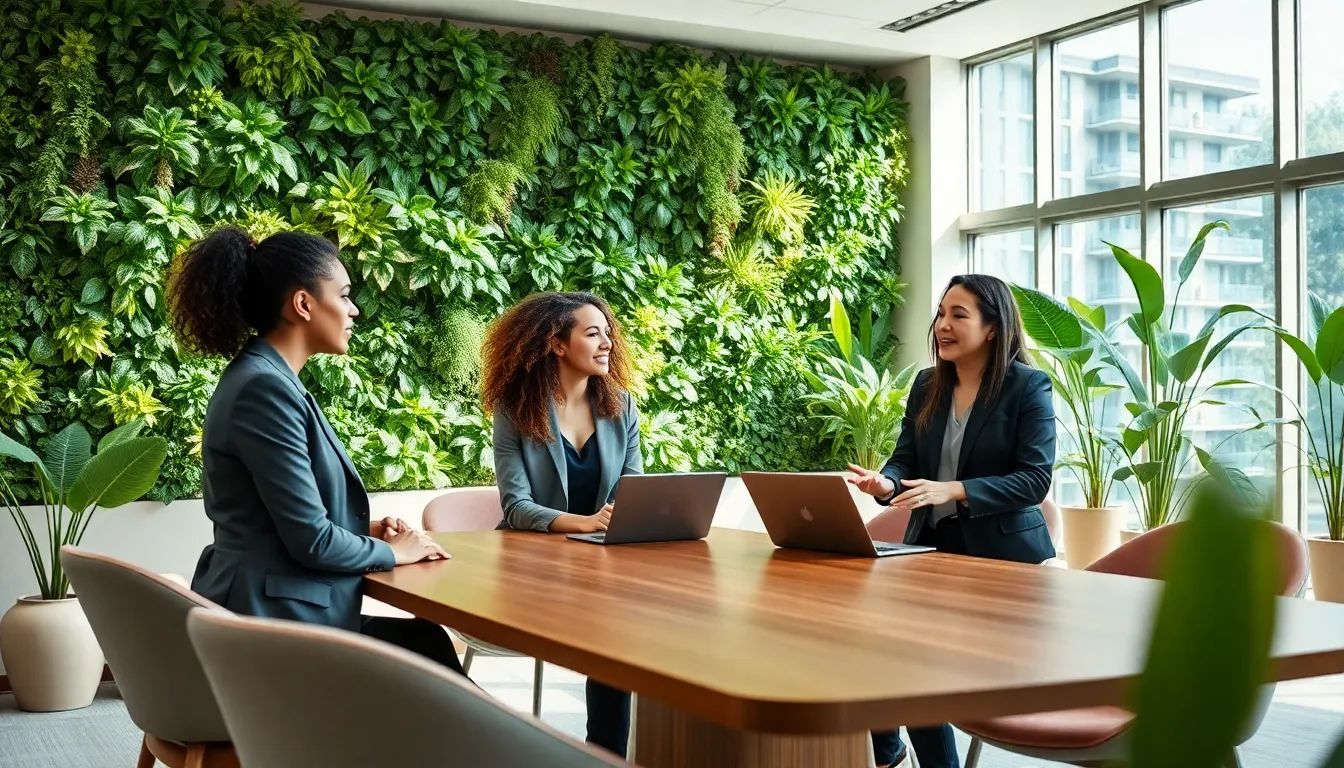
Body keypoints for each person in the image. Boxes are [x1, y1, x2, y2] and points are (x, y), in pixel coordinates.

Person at [168, 225, 468, 678]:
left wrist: (365, 529)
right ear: (304, 304)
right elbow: (310, 540)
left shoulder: (264, 377)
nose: (355, 310)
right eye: (344, 296)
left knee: (426, 642)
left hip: (273, 605)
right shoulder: (265, 389)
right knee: (430, 660)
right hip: (269, 624)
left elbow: (278, 518)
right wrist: (395, 553)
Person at [848, 274, 1056, 768]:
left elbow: (1034, 480)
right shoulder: (927, 385)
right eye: (941, 314)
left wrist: (958, 490)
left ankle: (904, 755)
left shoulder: (1027, 387)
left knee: (912, 661)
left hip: (1003, 564)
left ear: (992, 327)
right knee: (868, 640)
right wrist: (887, 484)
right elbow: (905, 463)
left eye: (958, 315)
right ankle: (889, 749)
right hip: (933, 552)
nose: (942, 325)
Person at [482, 291, 641, 757]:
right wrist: (586, 522)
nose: (607, 342)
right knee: (614, 629)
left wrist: (620, 521)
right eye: (593, 333)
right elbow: (516, 506)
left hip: (602, 566)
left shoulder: (621, 407)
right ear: (556, 344)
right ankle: (602, 752)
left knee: (633, 622)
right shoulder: (516, 409)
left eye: (608, 332)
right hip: (533, 570)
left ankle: (604, 753)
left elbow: (631, 489)